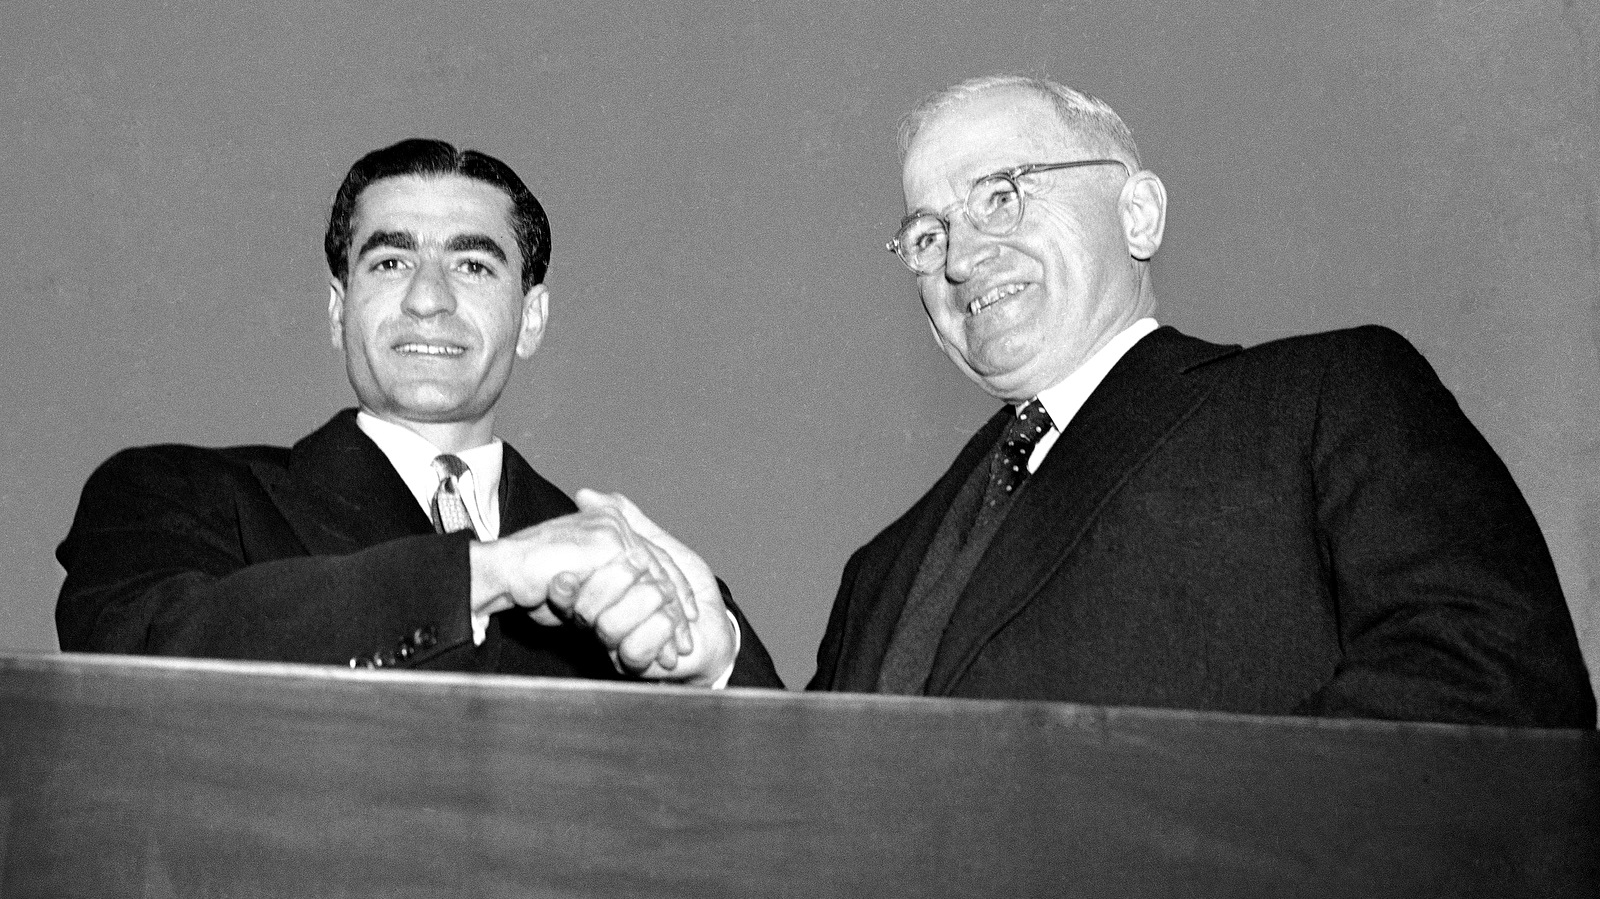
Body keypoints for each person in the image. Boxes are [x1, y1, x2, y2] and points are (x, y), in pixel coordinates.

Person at [806, 75, 1594, 727]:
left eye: (1001, 197)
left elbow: (1495, 692)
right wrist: (715, 659)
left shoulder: (1326, 403)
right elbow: (801, 813)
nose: (964, 257)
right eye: (928, 235)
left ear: (1138, 214)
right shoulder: (880, 569)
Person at [56, 138, 781, 689]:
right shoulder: (173, 496)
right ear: (339, 309)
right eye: (391, 262)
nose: (428, 298)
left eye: (473, 264)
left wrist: (717, 664)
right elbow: (138, 663)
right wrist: (486, 572)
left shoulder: (639, 574)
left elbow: (797, 802)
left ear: (531, 318)